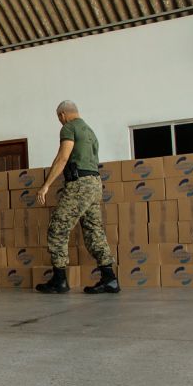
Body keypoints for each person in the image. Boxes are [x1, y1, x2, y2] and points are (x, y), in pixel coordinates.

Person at [35, 100, 119, 294]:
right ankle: (110, 279)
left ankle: (59, 280)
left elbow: (63, 158)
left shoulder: (69, 128)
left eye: (59, 118)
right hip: (95, 184)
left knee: (57, 228)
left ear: (63, 114)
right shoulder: (90, 131)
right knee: (93, 230)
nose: (59, 121)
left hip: (79, 185)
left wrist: (45, 186)